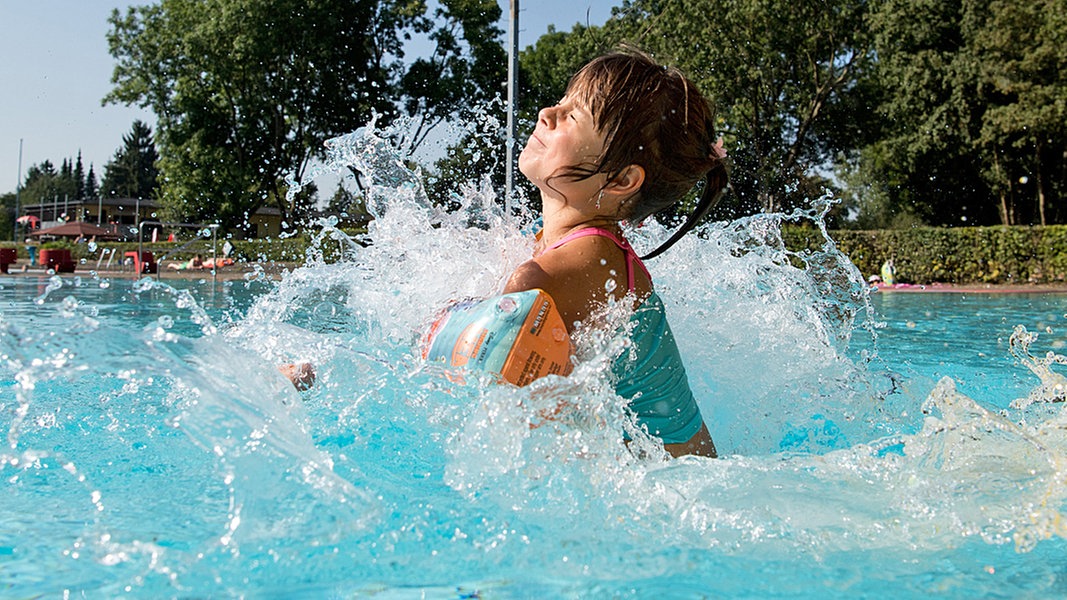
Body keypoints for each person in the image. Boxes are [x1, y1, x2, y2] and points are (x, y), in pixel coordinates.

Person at [504, 48, 726, 458]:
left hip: (675, 492)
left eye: (572, 116)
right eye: (563, 100)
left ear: (622, 179)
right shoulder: (571, 250)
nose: (547, 112)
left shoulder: (563, 270)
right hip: (681, 475)